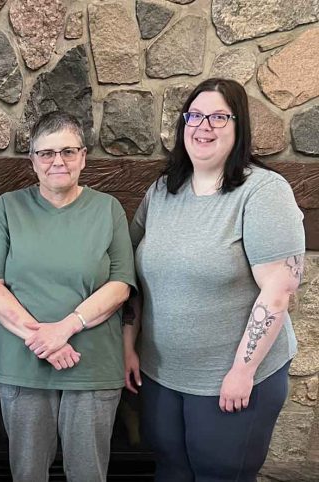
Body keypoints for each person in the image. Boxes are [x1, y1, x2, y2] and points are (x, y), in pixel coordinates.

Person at [124, 78, 305, 481]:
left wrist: (243, 372)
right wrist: (128, 344)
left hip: (233, 379)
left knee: (220, 474)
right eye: (195, 115)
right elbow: (129, 274)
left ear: (239, 128)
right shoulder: (161, 192)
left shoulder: (263, 193)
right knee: (170, 469)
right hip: (161, 375)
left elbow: (277, 293)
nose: (204, 126)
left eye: (219, 117)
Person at [0, 111, 137, 482]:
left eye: (67, 151)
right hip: (23, 366)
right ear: (32, 160)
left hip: (93, 365)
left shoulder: (107, 209)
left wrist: (64, 329)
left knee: (88, 474)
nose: (57, 162)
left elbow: (120, 286)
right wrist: (43, 339)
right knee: (28, 473)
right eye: (46, 153)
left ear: (83, 156)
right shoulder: (8, 208)